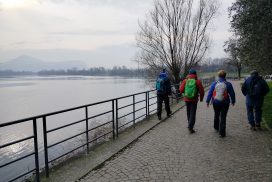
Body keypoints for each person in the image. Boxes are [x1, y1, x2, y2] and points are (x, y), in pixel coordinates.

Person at [206, 70, 236, 137]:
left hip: (216, 102)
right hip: (225, 102)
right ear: (225, 76)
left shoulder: (214, 83)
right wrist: (233, 101)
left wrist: (207, 101)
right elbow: (232, 94)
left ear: (218, 76)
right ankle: (222, 133)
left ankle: (216, 127)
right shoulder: (228, 84)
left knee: (216, 114)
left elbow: (210, 93)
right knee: (223, 116)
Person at [180, 69, 204, 133]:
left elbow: (181, 90)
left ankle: (189, 124)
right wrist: (201, 98)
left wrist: (184, 94)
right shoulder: (197, 81)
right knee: (193, 113)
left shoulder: (185, 80)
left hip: (187, 99)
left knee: (188, 112)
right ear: (195, 74)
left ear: (189, 74)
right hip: (194, 99)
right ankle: (191, 126)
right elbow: (201, 91)